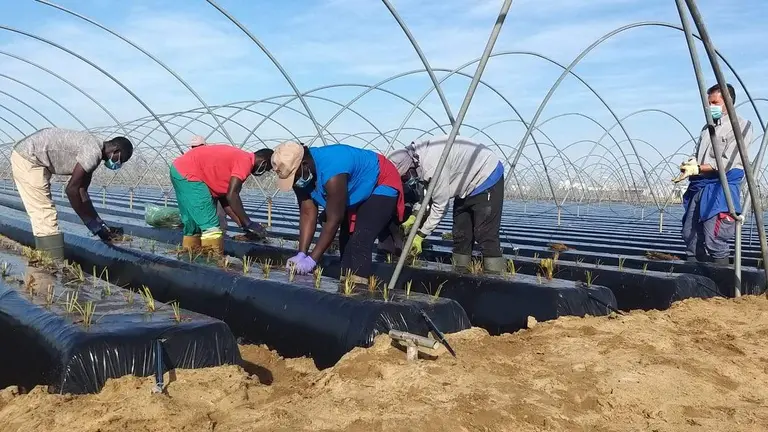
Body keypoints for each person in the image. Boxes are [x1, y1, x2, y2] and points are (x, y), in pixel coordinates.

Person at [271, 141, 404, 287]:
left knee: (361, 238)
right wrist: (302, 253)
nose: (295, 182)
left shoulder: (332, 171)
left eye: (294, 177)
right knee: (345, 239)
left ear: (304, 164)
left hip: (380, 181)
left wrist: (312, 260)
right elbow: (307, 213)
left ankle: (358, 292)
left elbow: (334, 219)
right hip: (355, 189)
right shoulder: (301, 177)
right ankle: (346, 285)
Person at [389, 135, 505, 273]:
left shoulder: (432, 166)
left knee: (485, 234)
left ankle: (495, 279)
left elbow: (440, 207)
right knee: (461, 234)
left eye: (406, 177)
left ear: (410, 167)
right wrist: (414, 216)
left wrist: (420, 236)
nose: (407, 180)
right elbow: (427, 195)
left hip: (485, 175)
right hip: (464, 183)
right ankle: (461, 277)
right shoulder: (417, 156)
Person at [10, 128, 133, 258]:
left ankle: (49, 261)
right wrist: (90, 223)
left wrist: (100, 225)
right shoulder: (92, 152)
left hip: (36, 158)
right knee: (44, 214)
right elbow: (71, 190)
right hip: (28, 157)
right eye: (120, 160)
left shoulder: (94, 151)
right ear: (116, 150)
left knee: (44, 213)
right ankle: (51, 265)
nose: (118, 164)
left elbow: (82, 192)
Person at [675, 83, 753, 264]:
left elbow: (728, 162)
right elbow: (697, 153)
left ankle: (720, 283)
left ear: (728, 102)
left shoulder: (742, 126)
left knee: (715, 236)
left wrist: (700, 168)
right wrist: (690, 164)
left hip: (720, 188)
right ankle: (696, 275)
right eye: (708, 103)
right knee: (690, 233)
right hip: (700, 184)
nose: (710, 107)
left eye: (714, 102)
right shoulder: (707, 128)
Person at [170, 143, 272, 253]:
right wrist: (249, 223)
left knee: (193, 225)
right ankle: (212, 262)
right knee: (211, 227)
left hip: (178, 170)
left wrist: (244, 226)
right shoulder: (245, 161)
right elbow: (232, 195)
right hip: (189, 174)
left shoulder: (239, 158)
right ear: (264, 162)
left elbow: (226, 202)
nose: (265, 172)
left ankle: (190, 257)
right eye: (267, 169)